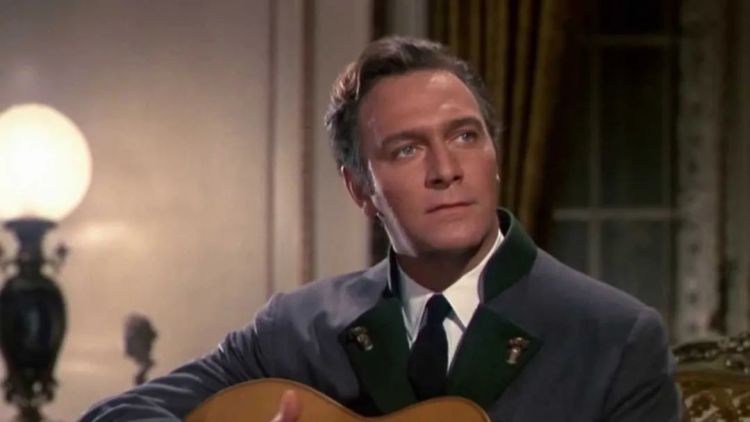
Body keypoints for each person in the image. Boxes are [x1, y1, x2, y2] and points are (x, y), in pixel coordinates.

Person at [81, 36, 682, 422]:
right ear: (359, 189)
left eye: (464, 136)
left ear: (495, 156)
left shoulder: (614, 338)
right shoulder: (298, 329)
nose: (446, 170)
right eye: (406, 150)